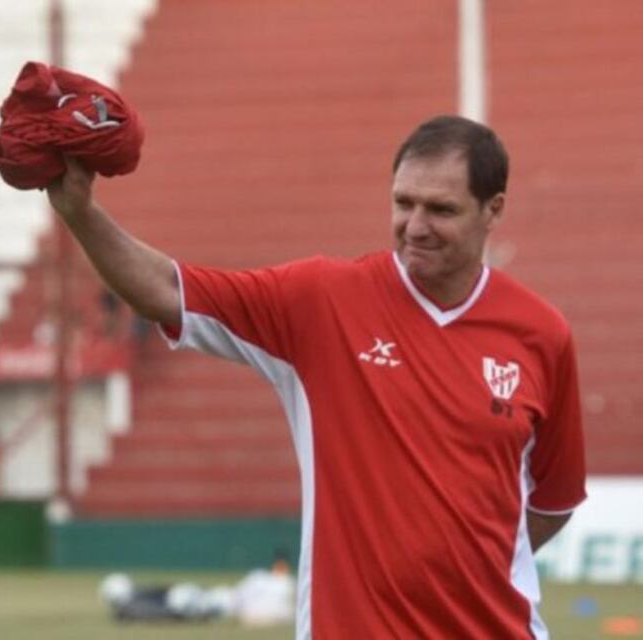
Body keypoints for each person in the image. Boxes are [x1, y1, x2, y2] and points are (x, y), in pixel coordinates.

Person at [47, 115, 587, 639]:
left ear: (493, 210)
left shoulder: (541, 334)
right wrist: (80, 212)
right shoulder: (321, 301)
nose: (416, 227)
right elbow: (167, 290)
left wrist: (463, 565)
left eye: (441, 209)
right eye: (403, 203)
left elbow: (553, 501)